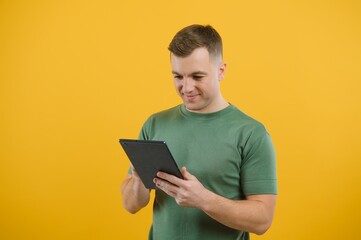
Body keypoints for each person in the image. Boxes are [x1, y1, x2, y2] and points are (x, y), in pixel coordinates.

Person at [121, 24, 278, 240]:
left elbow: (262, 220)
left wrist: (203, 199)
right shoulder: (155, 124)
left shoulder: (252, 134)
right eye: (178, 76)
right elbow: (131, 205)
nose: (186, 88)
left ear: (221, 71)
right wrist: (138, 179)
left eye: (197, 76)